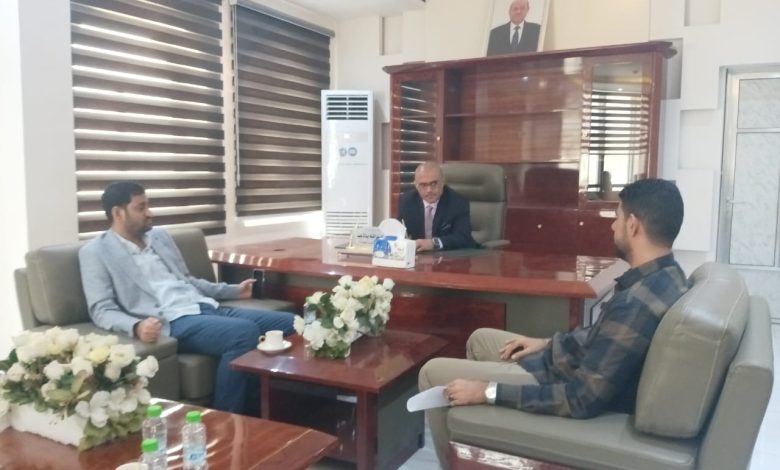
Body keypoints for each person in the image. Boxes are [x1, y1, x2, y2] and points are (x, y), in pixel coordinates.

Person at [418, 178, 689, 468]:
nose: (613, 226)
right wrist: (547, 343)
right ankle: (478, 446)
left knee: (433, 373)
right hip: (564, 364)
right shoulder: (667, 277)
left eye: (617, 217)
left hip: (559, 383)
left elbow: (581, 398)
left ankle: (454, 461)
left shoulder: (636, 304)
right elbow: (602, 338)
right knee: (480, 338)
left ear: (633, 225)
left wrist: (488, 391)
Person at [79, 181, 294, 414]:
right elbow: (101, 309)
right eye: (141, 208)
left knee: (291, 323)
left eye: (148, 205)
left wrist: (232, 291)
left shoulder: (159, 237)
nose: (149, 213)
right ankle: (226, 420)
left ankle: (286, 406)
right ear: (118, 213)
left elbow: (188, 280)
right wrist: (136, 326)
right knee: (243, 333)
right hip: (174, 320)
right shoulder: (95, 252)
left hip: (204, 306)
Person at [398, 161, 477, 251]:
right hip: (419, 256)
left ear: (443, 182)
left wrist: (433, 243)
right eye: (423, 185)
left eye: (434, 184)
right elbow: (399, 232)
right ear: (416, 185)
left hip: (449, 256)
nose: (429, 190)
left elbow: (463, 238)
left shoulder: (458, 202)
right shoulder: (407, 201)